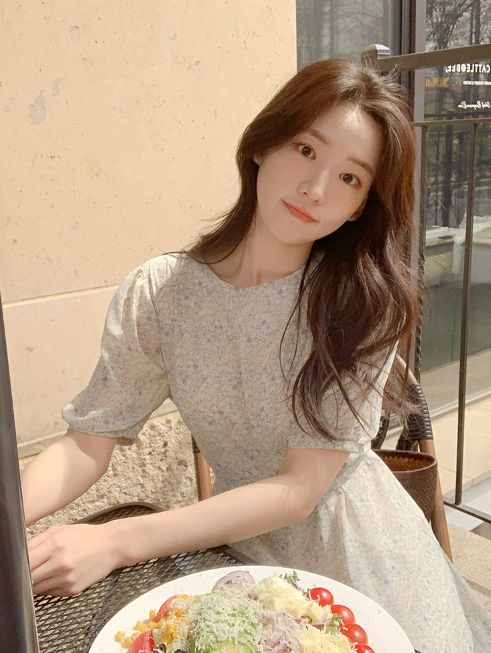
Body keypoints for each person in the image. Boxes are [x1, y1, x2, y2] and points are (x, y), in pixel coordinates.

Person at [21, 60, 490, 652]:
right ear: (264, 144)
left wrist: (115, 542)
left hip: (362, 559)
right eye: (305, 149)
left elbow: (299, 490)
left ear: (359, 208)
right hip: (234, 551)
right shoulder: (162, 293)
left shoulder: (359, 305)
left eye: (350, 178)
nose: (315, 188)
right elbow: (87, 443)